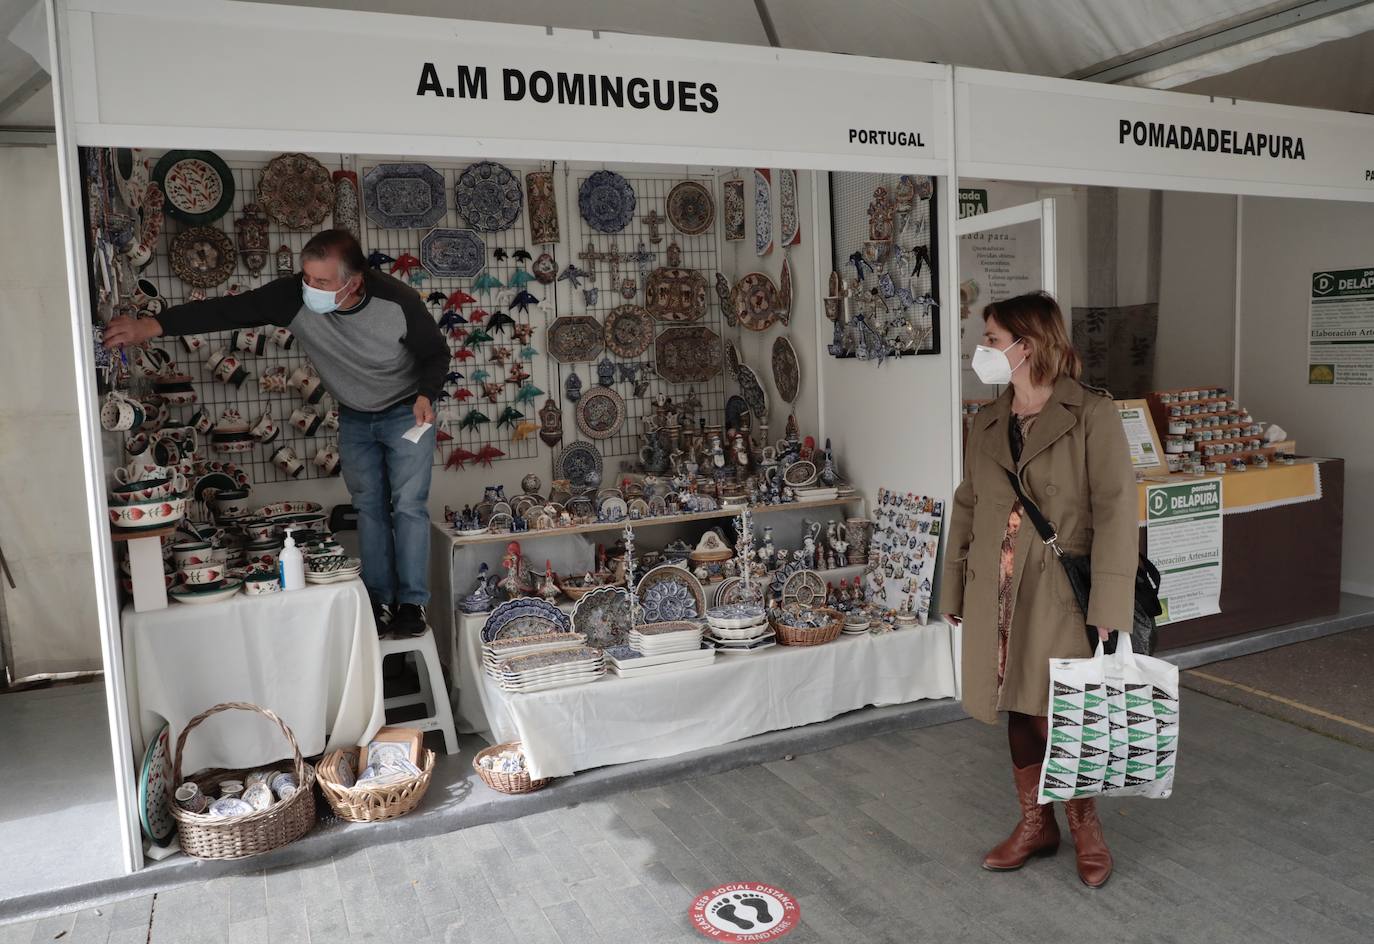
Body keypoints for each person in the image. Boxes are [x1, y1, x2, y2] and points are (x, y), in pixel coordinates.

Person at [103, 229, 446, 637]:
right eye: (307, 277)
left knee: (407, 505)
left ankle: (411, 604)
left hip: (407, 410)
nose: (310, 288)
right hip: (354, 414)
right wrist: (150, 327)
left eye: (322, 282)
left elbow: (436, 353)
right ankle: (377, 600)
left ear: (353, 282)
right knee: (369, 506)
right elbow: (226, 311)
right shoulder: (291, 296)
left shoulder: (397, 302)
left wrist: (427, 393)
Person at [941, 291, 1137, 889]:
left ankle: (1083, 828)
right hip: (995, 593)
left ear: (1027, 346)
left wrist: (1108, 604)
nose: (984, 351)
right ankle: (1035, 824)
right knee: (1018, 703)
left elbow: (1116, 510)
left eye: (994, 340)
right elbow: (968, 502)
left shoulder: (1091, 413)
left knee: (1061, 713)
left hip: (1058, 593)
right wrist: (952, 586)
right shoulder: (989, 418)